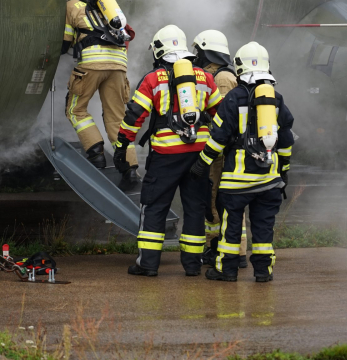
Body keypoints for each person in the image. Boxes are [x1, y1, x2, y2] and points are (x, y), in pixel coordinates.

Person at [114, 25, 222, 277]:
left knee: (154, 205)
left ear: (159, 51)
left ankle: (148, 264)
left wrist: (122, 145)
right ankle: (193, 266)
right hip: (198, 154)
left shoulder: (153, 79)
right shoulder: (205, 77)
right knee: (195, 207)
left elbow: (134, 116)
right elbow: (220, 115)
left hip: (165, 156)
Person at [190, 41, 294, 282]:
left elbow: (218, 138)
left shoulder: (234, 98)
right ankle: (263, 272)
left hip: (237, 182)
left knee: (231, 227)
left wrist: (202, 163)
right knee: (264, 228)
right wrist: (284, 170)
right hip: (269, 179)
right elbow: (287, 141)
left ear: (239, 67)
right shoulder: (276, 100)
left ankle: (226, 271)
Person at [62, 0, 139, 190]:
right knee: (117, 118)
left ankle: (96, 156)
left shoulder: (71, 6)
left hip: (92, 64)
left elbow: (65, 41)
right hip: (119, 65)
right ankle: (130, 169)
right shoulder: (107, 9)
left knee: (76, 110)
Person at [193, 30, 247, 269]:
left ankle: (226, 250)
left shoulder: (223, 78)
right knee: (219, 200)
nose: (196, 56)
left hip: (221, 153)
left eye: (199, 52)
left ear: (208, 52)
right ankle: (220, 247)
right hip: (220, 150)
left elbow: (224, 120)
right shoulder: (217, 75)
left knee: (216, 199)